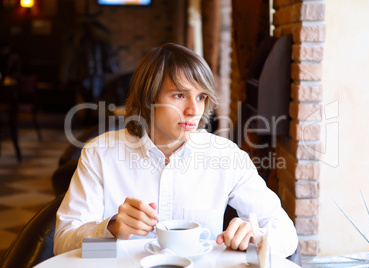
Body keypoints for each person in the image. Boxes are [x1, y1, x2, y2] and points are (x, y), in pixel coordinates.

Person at [54, 43, 298, 257]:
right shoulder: (100, 154)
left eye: (201, 97)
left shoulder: (226, 157)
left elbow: (286, 233)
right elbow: (63, 245)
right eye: (180, 95)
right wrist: (112, 229)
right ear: (148, 98)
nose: (194, 110)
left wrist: (257, 238)